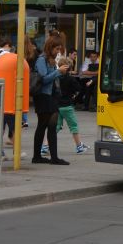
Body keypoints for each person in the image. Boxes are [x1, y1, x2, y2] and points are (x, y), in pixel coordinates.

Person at [32, 35, 70, 166]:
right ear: (50, 47)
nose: (58, 51)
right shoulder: (42, 59)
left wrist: (60, 72)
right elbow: (43, 79)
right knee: (43, 125)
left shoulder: (52, 60)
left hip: (51, 96)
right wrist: (58, 71)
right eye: (56, 48)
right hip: (43, 96)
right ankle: (40, 156)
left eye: (60, 49)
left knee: (50, 126)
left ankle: (50, 157)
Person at [0, 39, 29, 159]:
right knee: (13, 127)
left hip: (0, 98)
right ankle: (15, 152)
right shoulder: (8, 58)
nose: (10, 48)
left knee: (0, 127)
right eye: (9, 46)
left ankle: (0, 153)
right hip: (11, 99)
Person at [54, 53, 88, 154]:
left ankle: (45, 147)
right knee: (73, 126)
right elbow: (79, 89)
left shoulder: (56, 78)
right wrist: (73, 95)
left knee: (55, 127)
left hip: (57, 106)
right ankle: (79, 146)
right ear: (69, 68)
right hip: (67, 106)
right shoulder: (71, 79)